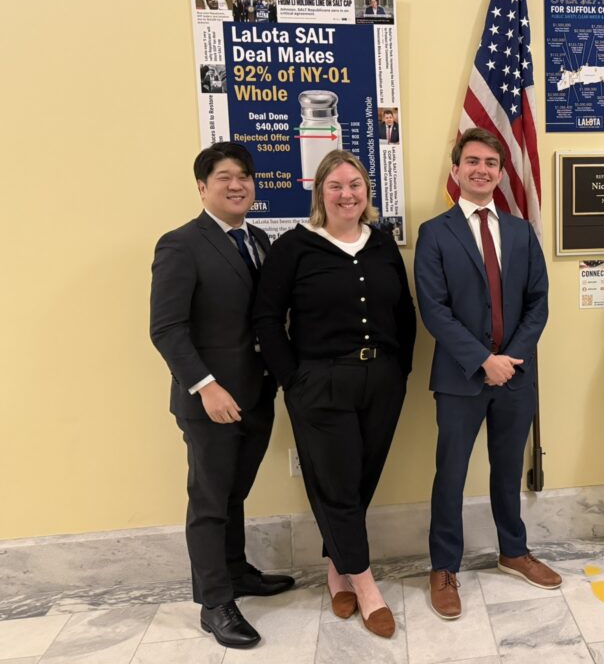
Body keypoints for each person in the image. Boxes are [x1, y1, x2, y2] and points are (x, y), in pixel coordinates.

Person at [253, 150, 416, 638]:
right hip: (319, 385)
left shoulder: (382, 242)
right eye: (336, 186)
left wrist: (401, 369)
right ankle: (366, 585)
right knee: (337, 484)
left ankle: (334, 570)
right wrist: (291, 380)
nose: (347, 194)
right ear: (319, 193)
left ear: (368, 192)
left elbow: (404, 311)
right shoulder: (294, 248)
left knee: (360, 481)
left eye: (356, 185)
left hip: (382, 383)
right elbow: (266, 319)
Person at [150, 142, 294, 649]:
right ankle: (215, 602)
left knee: (235, 494)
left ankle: (236, 571)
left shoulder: (259, 240)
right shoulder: (180, 244)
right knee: (210, 501)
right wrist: (205, 386)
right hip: (210, 400)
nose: (238, 185)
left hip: (256, 394)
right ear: (202, 186)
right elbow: (167, 329)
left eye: (245, 176)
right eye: (225, 177)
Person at [414, 127, 558, 620]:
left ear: (500, 173)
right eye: (472, 161)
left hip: (516, 374)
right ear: (456, 170)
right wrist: (482, 360)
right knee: (450, 474)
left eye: (490, 164)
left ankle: (513, 550)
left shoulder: (520, 232)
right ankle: (443, 566)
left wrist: (510, 358)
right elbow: (434, 310)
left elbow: (538, 302)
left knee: (507, 468)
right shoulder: (435, 232)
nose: (481, 170)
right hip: (460, 378)